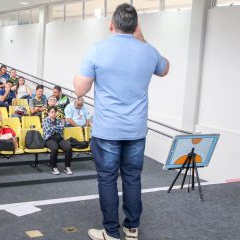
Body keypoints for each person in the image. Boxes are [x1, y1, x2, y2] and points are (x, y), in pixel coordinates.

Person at [73, 4, 170, 240]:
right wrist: (142, 39)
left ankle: (111, 232)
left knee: (107, 179)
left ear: (111, 25)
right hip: (136, 130)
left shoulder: (96, 50)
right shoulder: (148, 51)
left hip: (107, 130)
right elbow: (165, 69)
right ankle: (131, 228)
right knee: (132, 177)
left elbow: (80, 89)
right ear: (136, 27)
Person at [43, 106, 73, 175]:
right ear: (48, 113)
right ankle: (54, 167)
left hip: (59, 138)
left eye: (55, 112)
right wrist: (57, 128)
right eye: (52, 112)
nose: (53, 113)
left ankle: (67, 167)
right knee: (54, 148)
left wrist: (54, 128)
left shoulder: (58, 120)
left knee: (68, 148)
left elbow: (62, 128)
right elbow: (48, 130)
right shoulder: (45, 120)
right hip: (49, 138)